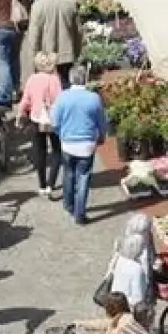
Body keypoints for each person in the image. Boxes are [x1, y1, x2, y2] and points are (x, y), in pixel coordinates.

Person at [50, 65, 107, 225]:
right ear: (85, 79)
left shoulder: (62, 97)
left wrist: (60, 133)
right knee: (83, 178)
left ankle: (68, 204)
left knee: (68, 174)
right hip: (87, 145)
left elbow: (54, 121)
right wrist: (101, 137)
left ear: (70, 79)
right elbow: (102, 122)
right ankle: (80, 213)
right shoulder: (94, 98)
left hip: (68, 143)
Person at [22, 0, 83, 83]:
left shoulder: (38, 6)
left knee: (48, 89)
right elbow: (78, 31)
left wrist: (33, 57)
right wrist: (77, 52)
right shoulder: (70, 4)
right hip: (67, 55)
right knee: (65, 85)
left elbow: (34, 35)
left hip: (46, 58)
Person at [17, 50, 63, 196]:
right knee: (57, 150)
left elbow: (26, 100)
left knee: (40, 151)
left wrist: (20, 115)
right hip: (53, 119)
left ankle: (42, 184)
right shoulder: (55, 79)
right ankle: (51, 183)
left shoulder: (32, 79)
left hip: (36, 118)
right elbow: (60, 100)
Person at [107, 232, 151, 307]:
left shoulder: (120, 259)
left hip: (115, 298)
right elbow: (138, 296)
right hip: (127, 304)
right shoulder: (137, 268)